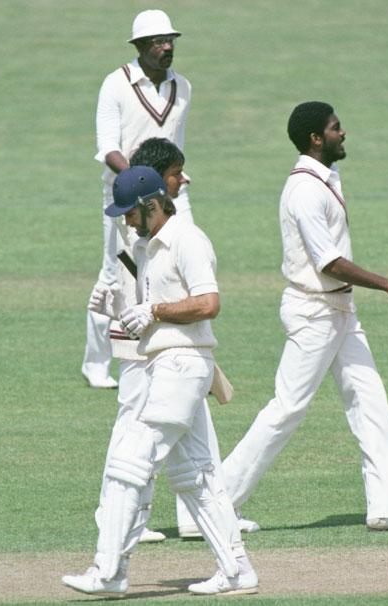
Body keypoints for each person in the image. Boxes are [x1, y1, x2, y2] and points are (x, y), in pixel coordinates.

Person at [222, 101, 388, 532]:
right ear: (315, 139)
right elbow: (330, 263)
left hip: (339, 310)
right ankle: (215, 504)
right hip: (314, 312)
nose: (344, 133)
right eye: (337, 128)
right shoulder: (305, 189)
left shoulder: (323, 179)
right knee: (286, 409)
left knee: (370, 401)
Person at [63, 166, 259, 597]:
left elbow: (209, 303)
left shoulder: (188, 239)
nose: (127, 222)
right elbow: (147, 314)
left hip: (183, 365)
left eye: (131, 213)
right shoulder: (144, 247)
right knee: (195, 475)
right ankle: (237, 570)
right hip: (163, 363)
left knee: (129, 461)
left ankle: (109, 572)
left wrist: (153, 311)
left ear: (152, 204)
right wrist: (116, 305)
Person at [93, 137, 258, 543]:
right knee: (137, 435)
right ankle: (118, 522)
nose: (184, 180)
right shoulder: (140, 224)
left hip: (166, 341)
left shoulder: (167, 226)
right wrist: (121, 307)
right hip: (145, 344)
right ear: (153, 183)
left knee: (184, 442)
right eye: (175, 174)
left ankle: (189, 521)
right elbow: (139, 289)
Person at [82, 8, 192, 389]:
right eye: (159, 42)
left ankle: (173, 347)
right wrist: (136, 180)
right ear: (141, 47)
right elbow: (107, 146)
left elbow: (176, 145)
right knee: (117, 273)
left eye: (170, 41)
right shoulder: (116, 83)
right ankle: (97, 363)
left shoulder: (184, 87)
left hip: (173, 191)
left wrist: (169, 182)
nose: (167, 48)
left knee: (176, 265)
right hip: (125, 192)